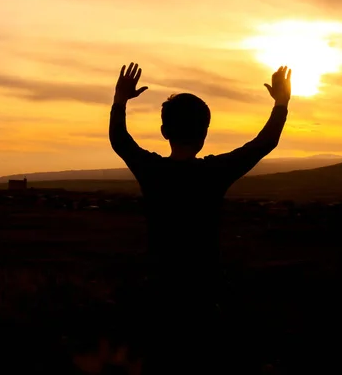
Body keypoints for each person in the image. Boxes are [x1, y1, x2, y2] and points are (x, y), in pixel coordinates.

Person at [109, 62, 292, 373]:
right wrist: (281, 103)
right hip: (203, 294)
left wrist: (120, 100)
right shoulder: (213, 173)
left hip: (159, 294)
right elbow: (264, 143)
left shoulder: (153, 171)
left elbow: (120, 140)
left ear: (165, 131)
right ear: (204, 134)